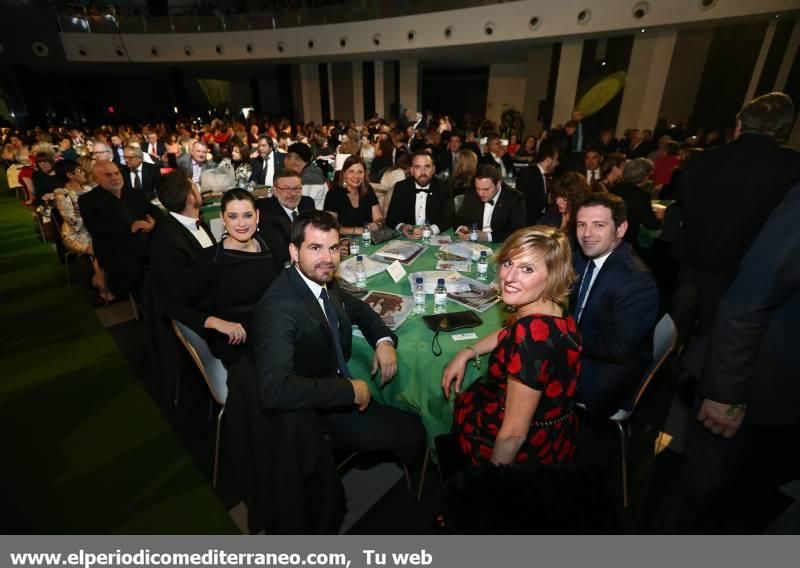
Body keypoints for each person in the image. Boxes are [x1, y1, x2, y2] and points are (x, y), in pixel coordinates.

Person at [248, 210, 426, 527]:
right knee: (415, 429)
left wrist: (384, 340)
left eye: (333, 248)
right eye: (315, 248)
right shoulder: (279, 307)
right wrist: (350, 390)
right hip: (315, 412)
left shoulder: (319, 279)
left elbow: (358, 307)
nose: (327, 258)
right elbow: (274, 389)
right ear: (293, 251)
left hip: (332, 383)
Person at [666, 182, 800, 532]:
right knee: (704, 503)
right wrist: (725, 392)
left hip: (785, 400)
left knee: (750, 508)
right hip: (747, 385)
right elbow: (750, 298)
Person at [671, 92, 800, 368]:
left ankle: (661, 374)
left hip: (693, 258)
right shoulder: (790, 167)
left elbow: (683, 199)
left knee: (675, 326)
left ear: (740, 123)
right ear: (782, 129)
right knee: (717, 338)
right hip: (739, 268)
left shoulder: (702, 159)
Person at [442, 226, 581, 466]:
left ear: (553, 276)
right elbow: (509, 331)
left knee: (460, 401)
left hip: (530, 448)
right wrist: (468, 351)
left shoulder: (528, 339)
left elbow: (513, 435)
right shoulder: (552, 307)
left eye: (527, 269)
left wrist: (494, 492)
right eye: (508, 263)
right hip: (559, 430)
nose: (509, 277)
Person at [571, 193, 658, 418]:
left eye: (598, 225)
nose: (587, 234)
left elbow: (618, 349)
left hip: (605, 374)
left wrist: (564, 335)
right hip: (587, 344)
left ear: (620, 229)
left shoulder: (636, 281)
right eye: (581, 225)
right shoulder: (582, 257)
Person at [177, 189, 277, 368]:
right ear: (223, 219)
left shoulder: (269, 244)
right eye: (232, 216)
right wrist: (217, 323)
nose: (241, 224)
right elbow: (172, 304)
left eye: (247, 215)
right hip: (241, 345)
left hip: (274, 331)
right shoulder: (211, 259)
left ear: (257, 216)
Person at [146, 170, 216, 402]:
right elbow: (184, 292)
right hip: (199, 316)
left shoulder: (196, 223)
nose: (198, 188)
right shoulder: (167, 238)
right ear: (190, 198)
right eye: (194, 186)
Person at [79, 160, 160, 297]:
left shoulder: (135, 193)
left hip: (146, 243)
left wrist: (153, 222)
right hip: (116, 248)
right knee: (137, 271)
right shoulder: (88, 200)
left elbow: (155, 211)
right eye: (108, 175)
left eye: (117, 173)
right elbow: (96, 229)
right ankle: (144, 302)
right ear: (97, 179)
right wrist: (130, 228)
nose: (115, 177)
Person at [53, 160, 112, 301]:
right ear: (70, 175)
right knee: (100, 250)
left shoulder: (88, 189)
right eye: (79, 171)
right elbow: (72, 221)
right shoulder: (62, 193)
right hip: (75, 234)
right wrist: (93, 218)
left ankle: (96, 281)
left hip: (93, 229)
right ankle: (102, 289)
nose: (84, 172)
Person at [257, 168, 316, 272]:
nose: (292, 194)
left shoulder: (308, 203)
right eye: (286, 189)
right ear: (275, 191)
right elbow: (281, 249)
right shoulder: (266, 210)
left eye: (297, 188)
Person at [386, 151, 454, 238]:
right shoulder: (401, 187)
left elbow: (448, 218)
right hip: (407, 238)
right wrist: (402, 227)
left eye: (427, 166)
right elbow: (391, 218)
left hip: (433, 237)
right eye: (418, 167)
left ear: (433, 169)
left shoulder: (443, 188)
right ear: (411, 170)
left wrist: (430, 230)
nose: (423, 172)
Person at [454, 164, 527, 242]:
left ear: (498, 184)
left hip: (500, 244)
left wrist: (487, 237)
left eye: (486, 189)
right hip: (473, 244)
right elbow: (458, 218)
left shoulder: (514, 198)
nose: (480, 194)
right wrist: (462, 229)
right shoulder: (472, 193)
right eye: (478, 188)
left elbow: (518, 232)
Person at [323, 155, 383, 238]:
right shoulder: (334, 194)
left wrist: (377, 224)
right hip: (343, 241)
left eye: (360, 172)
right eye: (351, 171)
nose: (356, 176)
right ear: (344, 174)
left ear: (365, 174)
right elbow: (329, 226)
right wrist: (359, 230)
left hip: (367, 239)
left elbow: (379, 218)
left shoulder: (368, 190)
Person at [611, 157, 661, 254]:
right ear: (644, 176)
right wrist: (659, 217)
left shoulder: (615, 188)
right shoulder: (641, 196)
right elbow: (651, 225)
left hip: (610, 238)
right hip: (627, 244)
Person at [516, 141, 559, 223]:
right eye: (556, 160)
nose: (557, 163)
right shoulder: (528, 173)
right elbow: (523, 201)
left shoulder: (548, 177)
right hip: (528, 222)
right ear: (548, 160)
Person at [284, 141, 326, 210]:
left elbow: (304, 208)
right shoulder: (312, 172)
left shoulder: (308, 179)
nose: (284, 160)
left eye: (288, 157)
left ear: (295, 161)